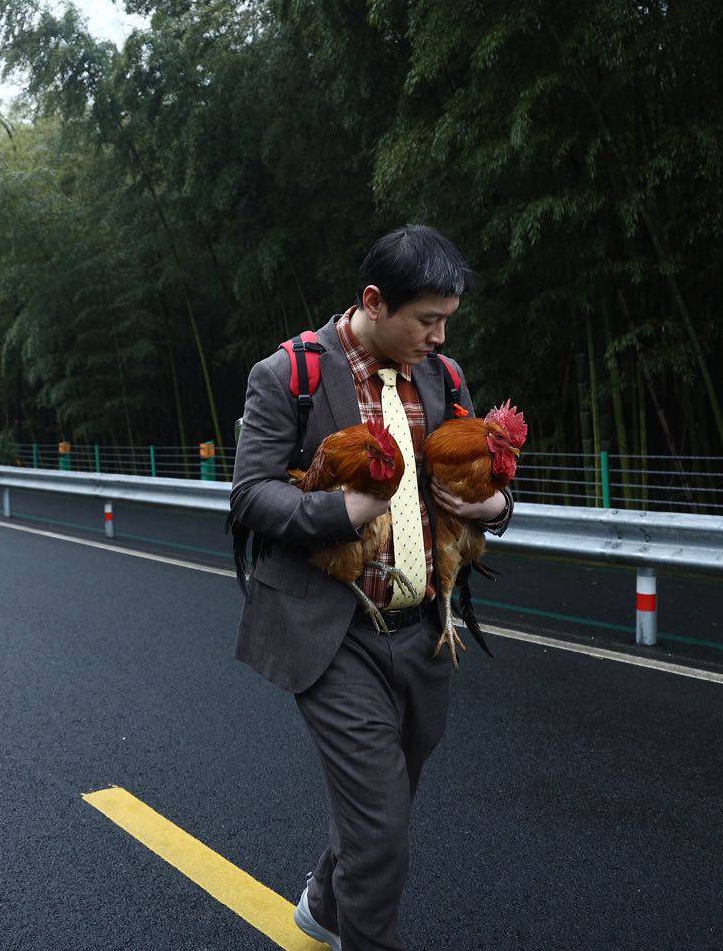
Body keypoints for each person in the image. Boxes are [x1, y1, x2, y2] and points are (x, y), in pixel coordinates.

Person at [228, 224, 513, 950]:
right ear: (374, 301)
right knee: (382, 826)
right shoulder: (288, 374)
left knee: (383, 806)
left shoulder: (442, 378)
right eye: (427, 320)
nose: (439, 337)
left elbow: (479, 477)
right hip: (335, 632)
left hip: (425, 632)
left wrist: (496, 508)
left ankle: (326, 906)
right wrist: (339, 512)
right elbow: (250, 494)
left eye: (447, 321)